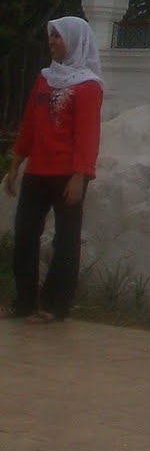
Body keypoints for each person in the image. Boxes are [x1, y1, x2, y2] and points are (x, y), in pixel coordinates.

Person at [4, 16, 103, 322]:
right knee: (24, 235)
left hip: (67, 174)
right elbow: (30, 124)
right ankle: (24, 302)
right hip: (38, 171)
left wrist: (79, 175)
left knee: (66, 240)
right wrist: (16, 163)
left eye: (58, 37)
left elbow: (88, 134)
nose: (52, 42)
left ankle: (55, 305)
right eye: (51, 37)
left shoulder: (88, 86)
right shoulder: (44, 78)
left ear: (75, 41)